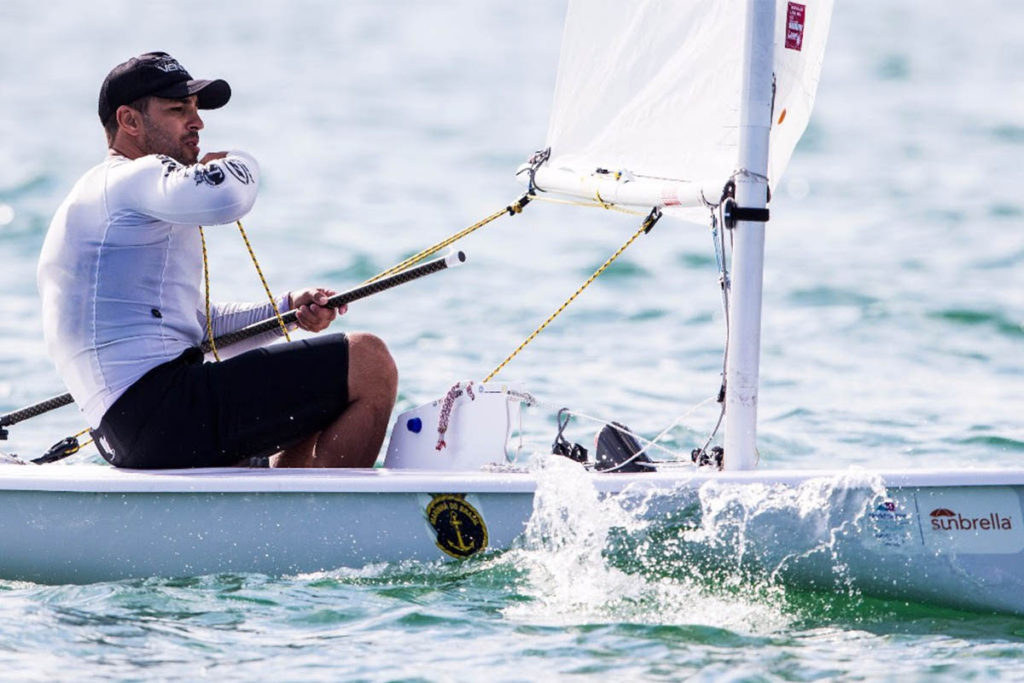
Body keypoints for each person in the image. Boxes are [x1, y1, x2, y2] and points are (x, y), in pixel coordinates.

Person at [37, 52, 397, 469]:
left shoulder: (116, 203)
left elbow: (194, 326)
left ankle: (287, 515)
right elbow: (227, 195)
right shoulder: (125, 179)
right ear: (129, 121)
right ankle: (335, 528)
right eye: (177, 110)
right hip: (160, 409)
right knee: (369, 362)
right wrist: (237, 161)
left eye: (195, 109)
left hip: (132, 428)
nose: (198, 123)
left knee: (315, 396)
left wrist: (287, 311)